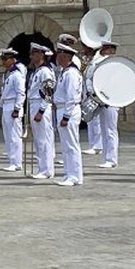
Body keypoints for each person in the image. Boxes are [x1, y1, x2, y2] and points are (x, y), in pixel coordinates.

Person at [54, 43, 84, 187]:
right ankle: (69, 173)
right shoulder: (64, 72)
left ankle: (74, 176)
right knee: (66, 145)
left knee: (71, 145)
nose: (57, 57)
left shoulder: (71, 73)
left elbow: (71, 97)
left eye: (59, 54)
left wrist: (66, 116)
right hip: (62, 109)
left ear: (65, 56)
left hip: (69, 111)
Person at [26, 43, 56, 179]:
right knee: (39, 140)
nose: (31, 56)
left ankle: (47, 169)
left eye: (34, 54)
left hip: (40, 106)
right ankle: (42, 168)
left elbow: (48, 93)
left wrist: (41, 111)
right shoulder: (37, 71)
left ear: (41, 55)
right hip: (34, 104)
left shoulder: (45, 71)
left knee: (44, 139)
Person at [0, 48, 27, 173]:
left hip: (13, 105)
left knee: (15, 136)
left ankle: (16, 162)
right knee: (8, 135)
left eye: (5, 59)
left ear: (12, 59)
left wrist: (17, 108)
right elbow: (4, 93)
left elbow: (21, 93)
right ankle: (12, 160)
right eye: (2, 59)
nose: (3, 62)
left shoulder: (17, 74)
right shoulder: (8, 74)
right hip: (6, 105)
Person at [94, 40, 120, 168]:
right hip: (102, 100)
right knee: (104, 130)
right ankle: (106, 157)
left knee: (111, 130)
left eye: (106, 50)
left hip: (112, 101)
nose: (103, 52)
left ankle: (112, 158)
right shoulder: (102, 64)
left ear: (112, 51)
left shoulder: (117, 66)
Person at [81, 41, 104, 156]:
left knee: (96, 121)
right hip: (88, 94)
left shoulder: (98, 61)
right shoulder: (89, 61)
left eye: (85, 48)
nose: (83, 50)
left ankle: (98, 145)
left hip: (95, 94)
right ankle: (93, 144)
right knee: (91, 120)